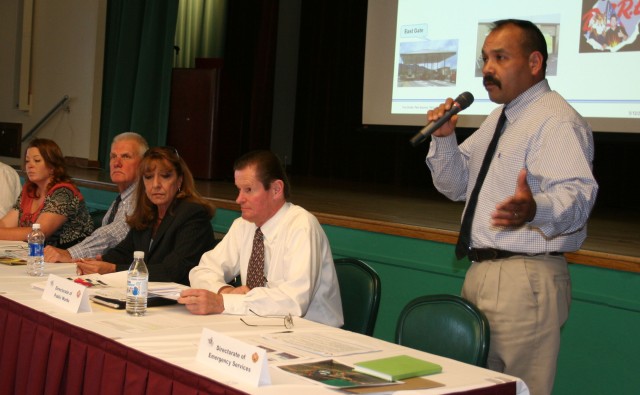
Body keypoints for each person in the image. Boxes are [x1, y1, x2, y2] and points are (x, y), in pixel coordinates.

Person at [424, 20, 598, 395]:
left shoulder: (556, 121)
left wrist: (536, 209)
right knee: (476, 387)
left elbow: (578, 198)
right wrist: (444, 139)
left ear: (535, 62)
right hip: (482, 271)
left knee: (520, 389)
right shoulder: (499, 119)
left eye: (500, 57)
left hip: (525, 277)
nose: (488, 69)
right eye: (486, 58)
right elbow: (457, 185)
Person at [179, 150, 343, 327]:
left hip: (310, 334)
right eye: (238, 190)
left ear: (276, 190)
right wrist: (224, 291)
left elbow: (293, 301)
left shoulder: (302, 226)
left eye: (248, 190)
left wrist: (223, 302)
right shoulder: (244, 225)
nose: (238, 199)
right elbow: (202, 271)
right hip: (260, 327)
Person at [76, 146, 216, 285]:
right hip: (148, 293)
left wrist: (112, 269)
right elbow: (125, 252)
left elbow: (173, 270)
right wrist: (99, 261)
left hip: (183, 298)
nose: (155, 184)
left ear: (179, 180)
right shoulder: (148, 213)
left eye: (165, 176)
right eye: (148, 177)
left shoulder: (192, 214)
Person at [44, 132, 148, 262]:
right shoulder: (122, 198)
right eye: (113, 156)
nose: (117, 163)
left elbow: (113, 235)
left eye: (126, 156)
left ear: (143, 164)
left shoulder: (141, 197)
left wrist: (70, 254)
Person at [0, 138, 94, 247]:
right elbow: (5, 224)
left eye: (37, 160)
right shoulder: (29, 189)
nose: (30, 165)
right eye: (27, 161)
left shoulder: (64, 192)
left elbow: (38, 234)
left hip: (70, 256)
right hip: (36, 254)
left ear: (52, 166)